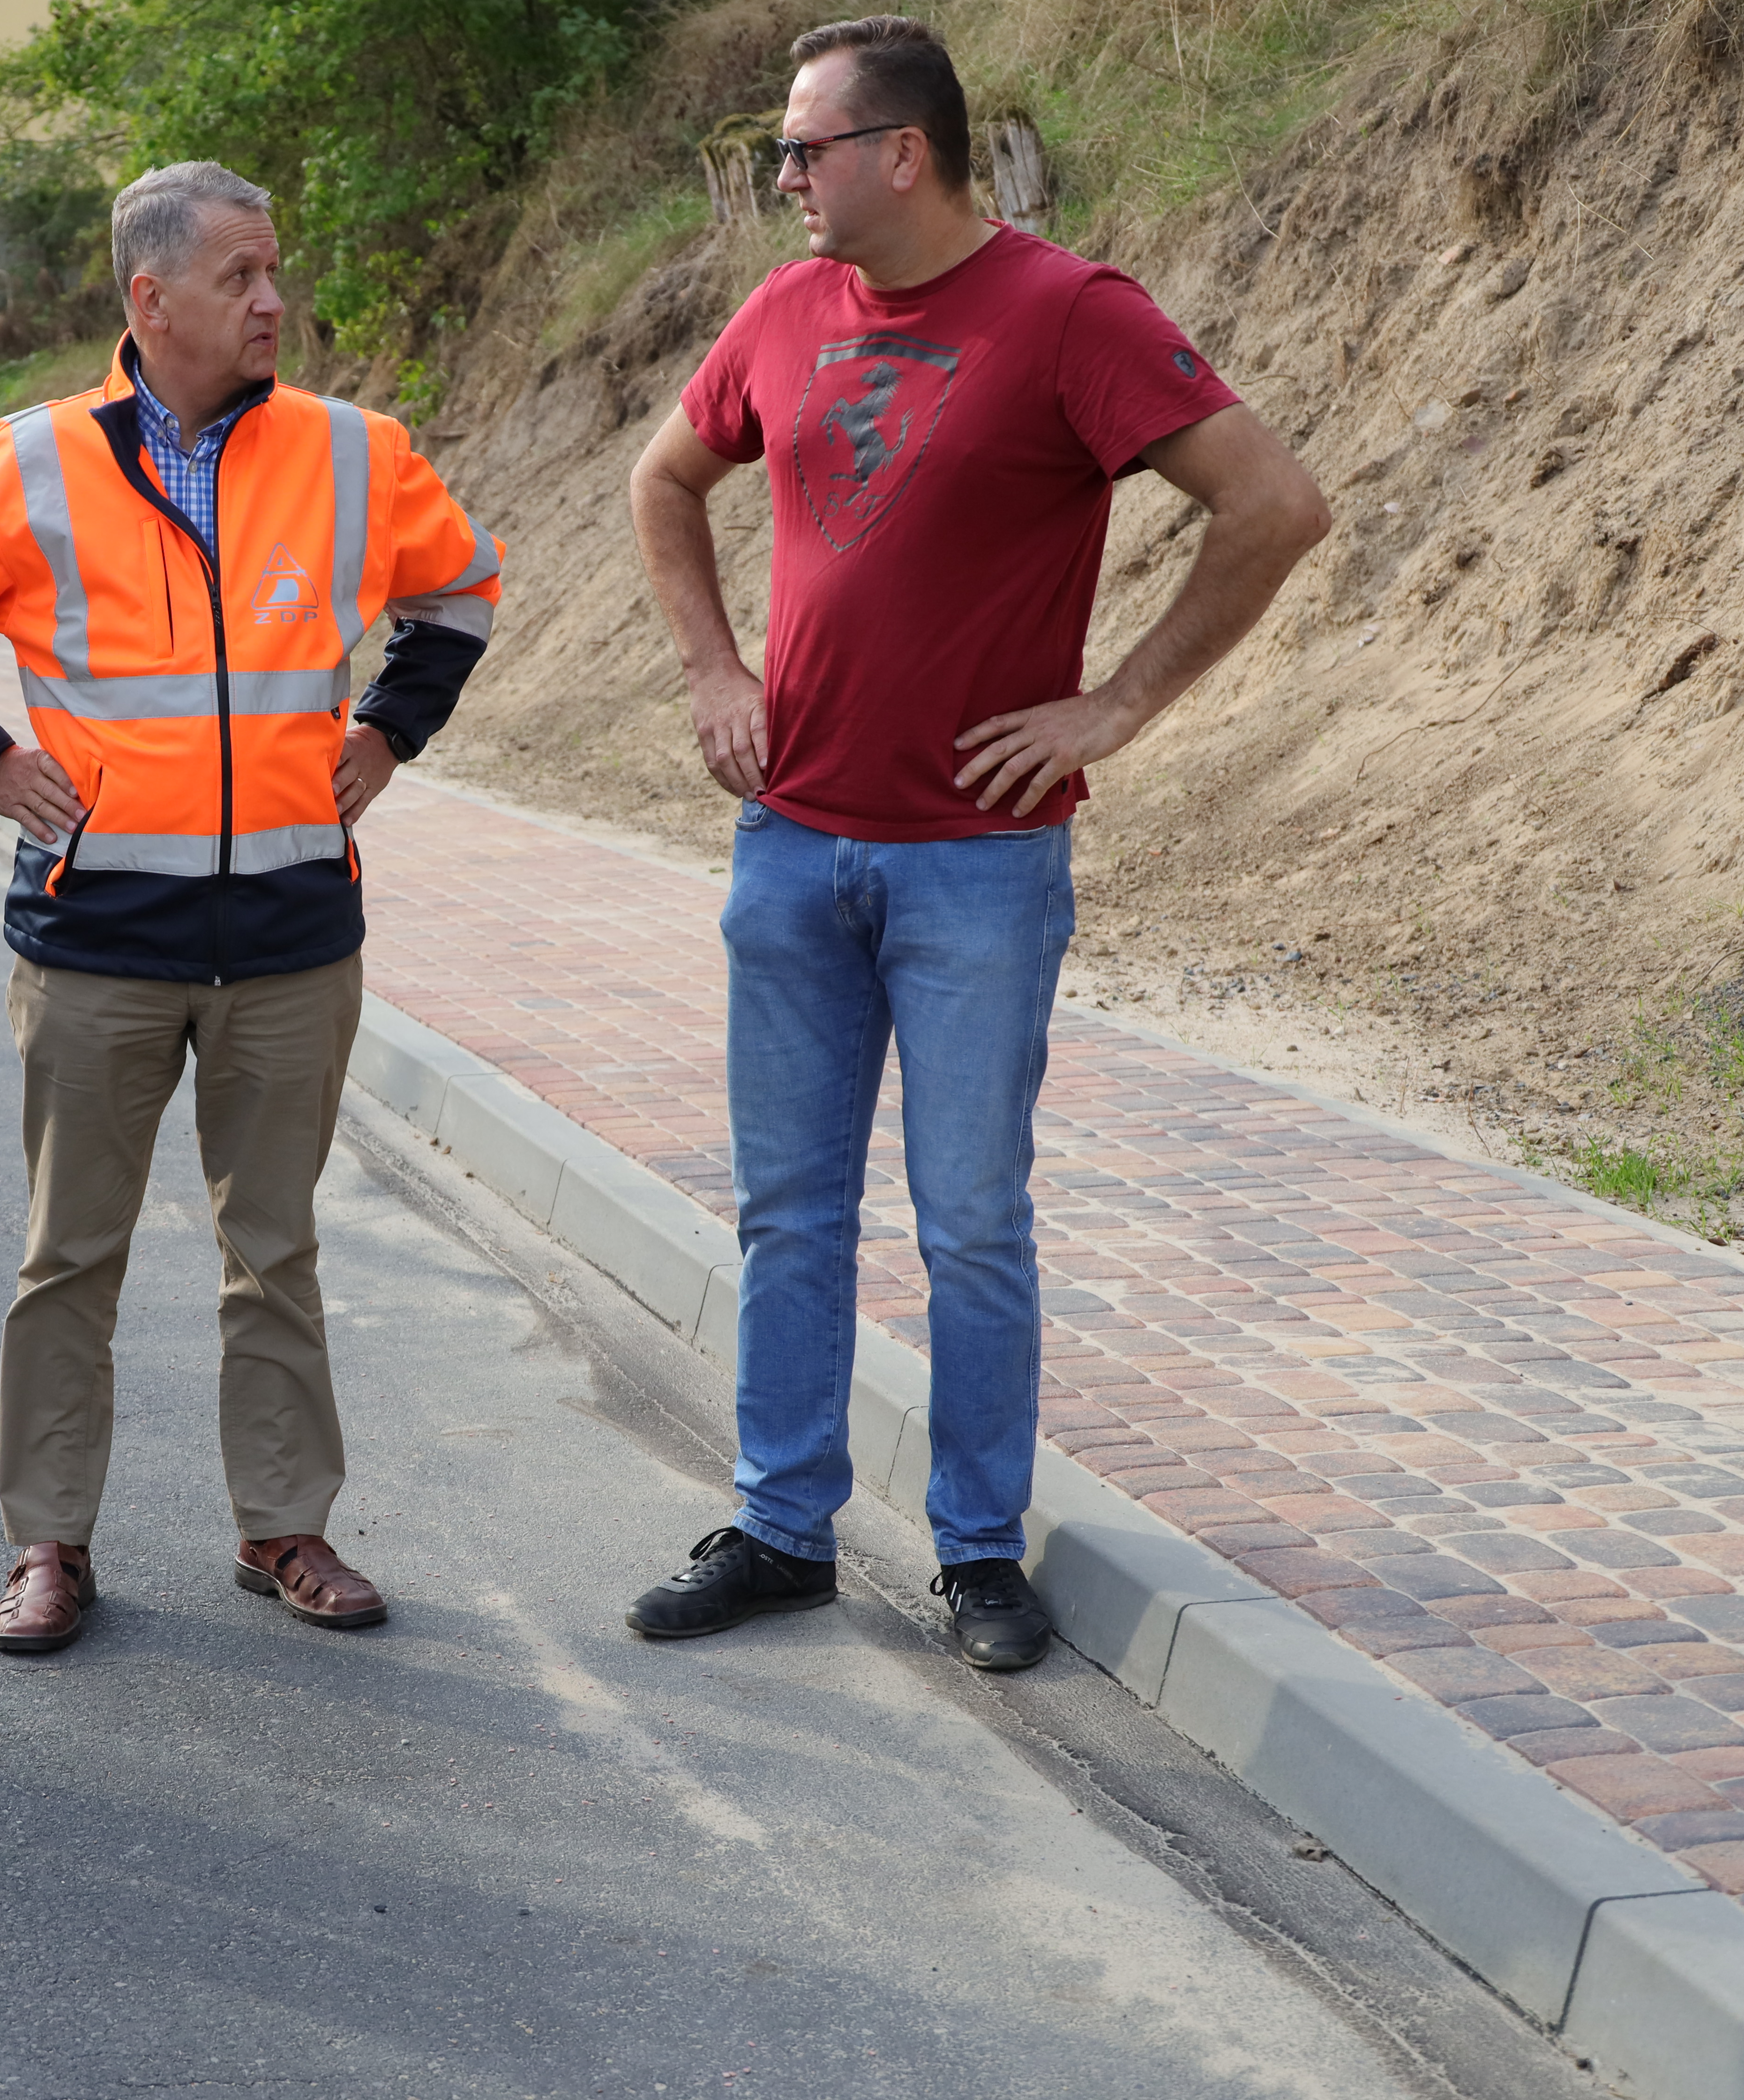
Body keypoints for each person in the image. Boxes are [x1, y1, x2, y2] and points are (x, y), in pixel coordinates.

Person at [623, 16, 1329, 1667]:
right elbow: (666, 483)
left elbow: (1275, 504)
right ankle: (783, 1528)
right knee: (789, 1211)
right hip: (793, 844)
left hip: (976, 864)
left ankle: (978, 1551)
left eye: (806, 149)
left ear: (903, 155)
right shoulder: (784, 310)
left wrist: (1115, 708)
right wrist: (714, 669)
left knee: (970, 1222)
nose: (785, 176)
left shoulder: (1071, 315)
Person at [0, 161, 503, 1654]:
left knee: (276, 1248)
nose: (274, 300)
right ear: (152, 298)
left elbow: (460, 591)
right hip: (96, 941)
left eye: (277, 272)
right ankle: (49, 1544)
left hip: (289, 938)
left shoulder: (353, 453)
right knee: (69, 1256)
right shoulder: (30, 463)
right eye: (242, 276)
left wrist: (387, 733)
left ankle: (285, 1527)